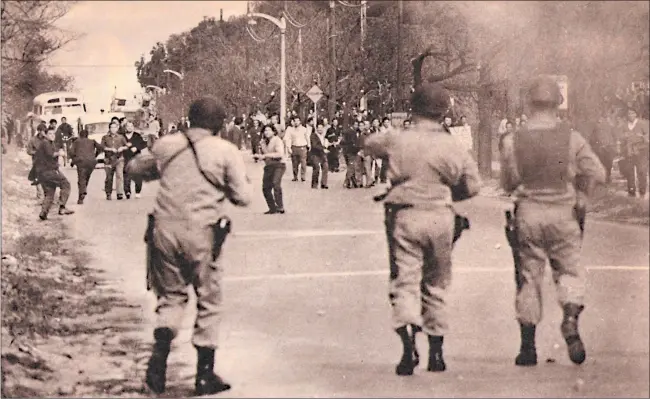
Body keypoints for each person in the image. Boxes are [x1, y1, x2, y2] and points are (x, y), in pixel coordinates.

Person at [126, 97, 251, 396]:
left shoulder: (166, 145)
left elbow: (134, 169)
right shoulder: (225, 151)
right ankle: (204, 375)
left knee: (170, 298)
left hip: (163, 232)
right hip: (203, 234)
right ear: (219, 124)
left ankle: (157, 367)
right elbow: (243, 197)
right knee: (208, 299)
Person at [364, 82, 481, 376]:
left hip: (405, 215)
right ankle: (437, 353)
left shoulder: (398, 139)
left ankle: (408, 346)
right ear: (444, 112)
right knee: (436, 282)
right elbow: (473, 185)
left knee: (405, 280)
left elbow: (369, 144)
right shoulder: (453, 144)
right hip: (441, 216)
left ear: (414, 109)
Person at [499, 75, 606, 367]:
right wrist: (582, 194)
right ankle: (570, 317)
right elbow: (597, 171)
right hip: (563, 212)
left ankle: (528, 347)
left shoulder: (513, 140)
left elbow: (508, 182)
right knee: (569, 271)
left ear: (529, 104)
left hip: (529, 212)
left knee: (528, 277)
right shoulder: (572, 138)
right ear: (557, 105)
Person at [33, 128, 75, 220]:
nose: (52, 135)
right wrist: (60, 153)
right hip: (49, 171)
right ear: (46, 135)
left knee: (50, 192)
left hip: (43, 173)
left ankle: (43, 213)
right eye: (50, 133)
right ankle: (62, 207)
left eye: (53, 134)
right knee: (66, 184)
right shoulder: (45, 143)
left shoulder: (49, 143)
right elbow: (50, 154)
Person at [254, 124, 286, 214]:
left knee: (276, 183)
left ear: (273, 131)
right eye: (265, 131)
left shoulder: (277, 140)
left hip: (279, 164)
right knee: (265, 188)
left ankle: (280, 206)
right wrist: (259, 155)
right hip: (269, 166)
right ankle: (272, 207)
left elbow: (280, 154)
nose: (266, 132)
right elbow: (264, 155)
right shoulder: (263, 142)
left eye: (269, 130)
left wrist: (265, 155)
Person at [619, 107, 649, 197]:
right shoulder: (624, 126)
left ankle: (642, 191)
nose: (630, 115)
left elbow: (647, 137)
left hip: (641, 151)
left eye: (632, 113)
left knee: (642, 171)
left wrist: (640, 137)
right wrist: (624, 137)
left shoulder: (642, 124)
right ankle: (631, 191)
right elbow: (620, 138)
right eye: (628, 114)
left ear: (636, 114)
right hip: (629, 151)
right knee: (629, 171)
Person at [69, 129, 103, 204]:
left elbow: (71, 152)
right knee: (86, 177)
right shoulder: (92, 141)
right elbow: (101, 148)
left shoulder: (76, 142)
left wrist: (73, 160)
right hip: (91, 162)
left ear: (80, 135)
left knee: (81, 178)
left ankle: (82, 194)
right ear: (87, 135)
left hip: (81, 162)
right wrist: (95, 155)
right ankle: (83, 190)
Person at [100, 121, 128, 200]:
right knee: (109, 177)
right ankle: (108, 193)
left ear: (117, 128)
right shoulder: (105, 137)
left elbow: (127, 146)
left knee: (119, 175)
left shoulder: (121, 137)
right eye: (112, 127)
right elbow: (102, 147)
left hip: (119, 158)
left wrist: (122, 148)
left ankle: (119, 193)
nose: (113, 129)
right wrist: (110, 149)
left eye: (115, 127)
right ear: (109, 128)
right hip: (108, 159)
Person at [121, 121, 148, 199]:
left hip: (136, 157)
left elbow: (143, 144)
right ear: (125, 127)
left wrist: (136, 148)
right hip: (125, 157)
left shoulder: (137, 136)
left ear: (133, 127)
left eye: (131, 126)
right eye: (128, 126)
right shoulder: (122, 136)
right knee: (126, 175)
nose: (130, 128)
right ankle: (127, 191)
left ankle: (138, 191)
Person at [284, 116, 310, 182]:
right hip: (294, 147)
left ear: (300, 121)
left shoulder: (304, 129)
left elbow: (307, 137)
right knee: (294, 163)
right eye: (295, 121)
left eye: (297, 121)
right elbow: (287, 138)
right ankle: (295, 176)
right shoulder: (290, 130)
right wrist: (288, 147)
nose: (296, 122)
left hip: (302, 147)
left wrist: (309, 145)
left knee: (303, 162)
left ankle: (303, 176)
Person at [309, 119, 330, 189]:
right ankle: (314, 184)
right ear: (316, 128)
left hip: (322, 155)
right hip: (315, 154)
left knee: (326, 167)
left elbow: (325, 143)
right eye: (319, 128)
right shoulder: (313, 136)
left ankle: (324, 183)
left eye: (321, 128)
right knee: (316, 168)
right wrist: (323, 149)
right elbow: (314, 145)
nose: (320, 129)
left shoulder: (324, 136)